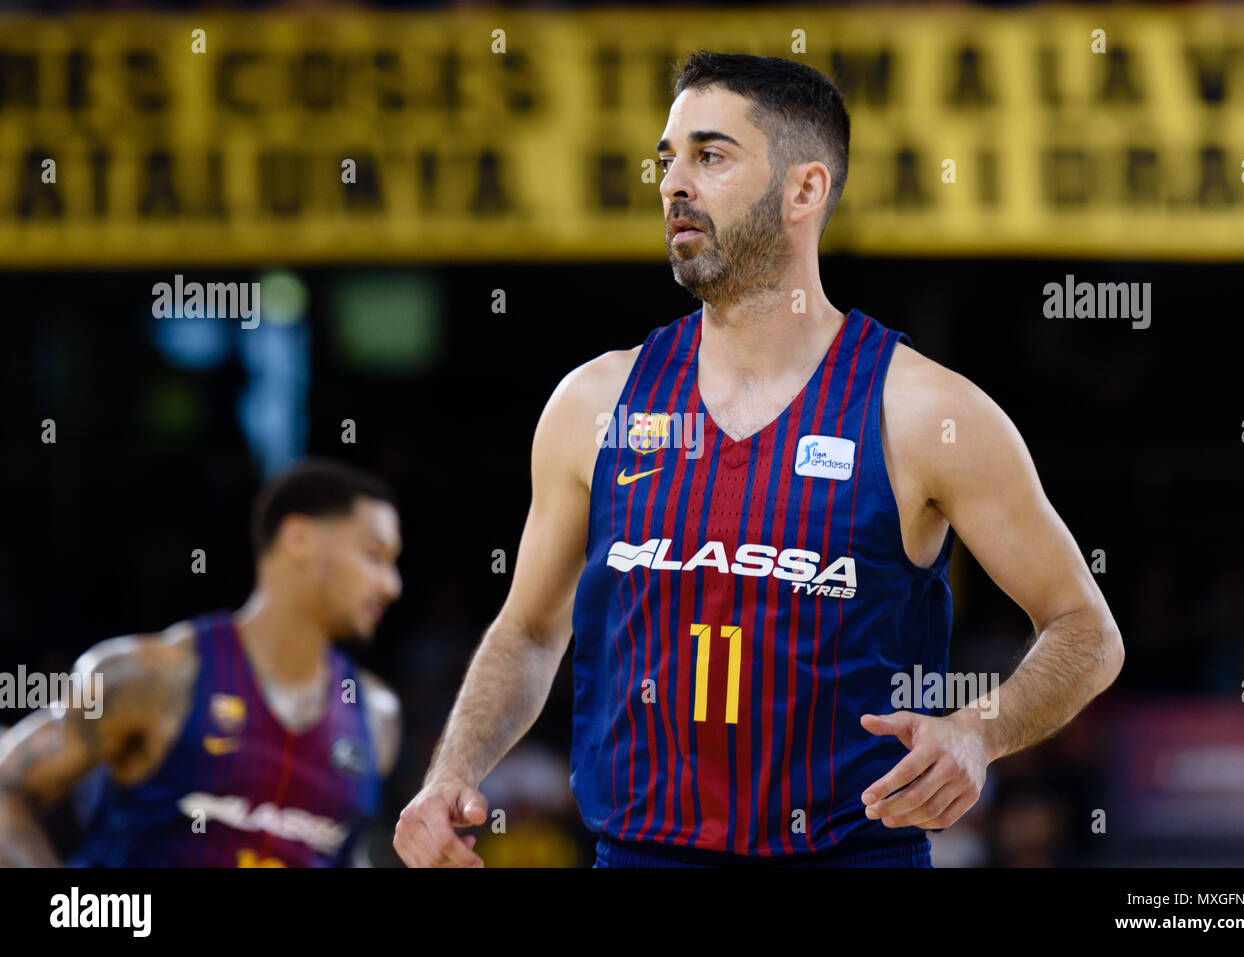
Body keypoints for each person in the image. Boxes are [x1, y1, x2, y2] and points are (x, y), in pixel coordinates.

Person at [394, 52, 1123, 868]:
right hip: (642, 855)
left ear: (805, 190)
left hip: (852, 854)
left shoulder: (925, 412)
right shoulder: (594, 403)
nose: (673, 182)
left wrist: (978, 732)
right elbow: (529, 631)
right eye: (667, 159)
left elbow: (1088, 630)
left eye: (710, 156)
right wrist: (449, 770)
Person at [0, 457, 403, 866]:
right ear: (298, 539)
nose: (392, 585)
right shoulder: (151, 674)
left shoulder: (376, 716)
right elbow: (5, 789)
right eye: (375, 555)